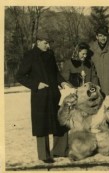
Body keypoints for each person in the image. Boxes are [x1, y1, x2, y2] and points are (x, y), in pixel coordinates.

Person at [16, 32, 71, 163]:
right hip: (40, 97)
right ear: (38, 42)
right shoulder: (30, 55)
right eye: (46, 43)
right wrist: (36, 84)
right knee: (42, 125)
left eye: (49, 43)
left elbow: (55, 72)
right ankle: (44, 155)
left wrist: (62, 81)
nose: (48, 45)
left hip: (54, 95)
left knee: (60, 121)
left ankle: (60, 151)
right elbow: (20, 76)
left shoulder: (50, 54)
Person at [89, 25, 109, 132]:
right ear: (97, 37)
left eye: (105, 36)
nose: (103, 38)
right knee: (97, 114)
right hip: (95, 86)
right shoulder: (91, 49)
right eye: (100, 36)